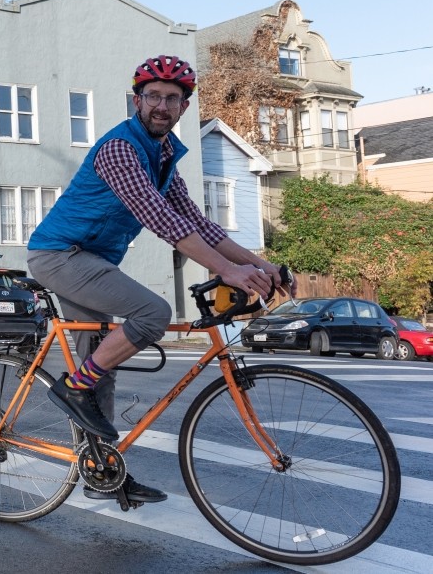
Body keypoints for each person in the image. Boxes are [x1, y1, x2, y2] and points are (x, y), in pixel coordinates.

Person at [27, 55, 294, 505]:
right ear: (138, 101)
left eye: (173, 98)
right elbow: (161, 221)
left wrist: (261, 264)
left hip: (92, 259)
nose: (162, 106)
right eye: (154, 96)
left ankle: (101, 469)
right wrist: (226, 270)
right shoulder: (120, 149)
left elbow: (199, 224)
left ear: (184, 108)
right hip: (60, 255)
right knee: (153, 312)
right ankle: (70, 388)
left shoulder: (164, 155)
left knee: (101, 369)